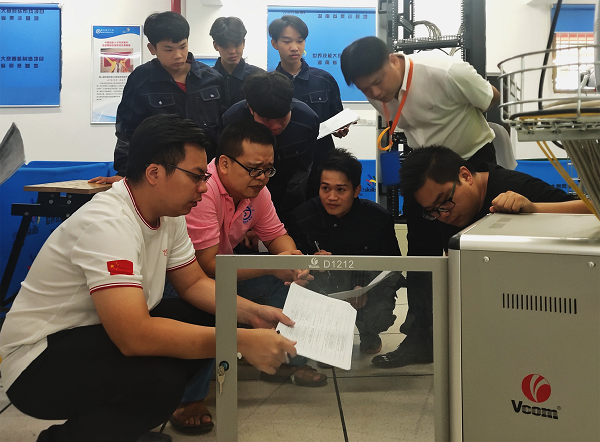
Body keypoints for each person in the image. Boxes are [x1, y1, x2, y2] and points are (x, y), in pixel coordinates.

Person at [0, 114, 297, 442]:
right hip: (36, 362)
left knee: (208, 315)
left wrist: (252, 315)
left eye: (204, 177)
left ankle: (116, 429)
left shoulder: (170, 214)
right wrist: (238, 340)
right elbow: (134, 336)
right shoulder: (108, 224)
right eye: (196, 176)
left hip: (91, 335)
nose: (204, 187)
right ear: (154, 173)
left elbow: (193, 284)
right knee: (162, 380)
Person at [340, 36, 501, 367]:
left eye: (377, 82)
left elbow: (491, 98)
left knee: (478, 254)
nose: (374, 92)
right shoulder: (376, 92)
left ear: (392, 60)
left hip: (469, 165)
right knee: (421, 258)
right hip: (423, 168)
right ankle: (420, 339)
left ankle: (486, 338)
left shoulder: (447, 72)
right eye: (365, 89)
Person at [369, 144, 590, 368]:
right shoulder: (447, 212)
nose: (444, 214)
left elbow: (590, 209)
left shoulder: (513, 186)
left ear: (465, 176)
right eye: (433, 210)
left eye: (444, 201)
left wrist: (534, 209)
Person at [185, 120, 326, 389]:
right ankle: (190, 395)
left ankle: (284, 360)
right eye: (253, 169)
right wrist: (273, 266)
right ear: (224, 164)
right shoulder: (203, 191)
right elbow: (207, 266)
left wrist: (293, 263)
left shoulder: (257, 192)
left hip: (224, 272)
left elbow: (276, 236)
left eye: (268, 169)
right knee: (208, 310)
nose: (261, 177)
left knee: (291, 286)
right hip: (189, 277)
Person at [288, 148, 403, 355]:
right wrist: (310, 263)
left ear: (357, 190)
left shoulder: (378, 219)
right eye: (325, 188)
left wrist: (366, 289)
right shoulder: (303, 217)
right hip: (323, 289)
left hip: (365, 289)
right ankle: (325, 336)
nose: (331, 197)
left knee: (378, 313)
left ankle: (369, 332)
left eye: (341, 190)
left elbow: (393, 266)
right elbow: (292, 266)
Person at [90, 11, 226, 185]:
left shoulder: (212, 79)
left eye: (183, 46)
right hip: (163, 176)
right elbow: (127, 133)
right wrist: (125, 173)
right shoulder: (140, 80)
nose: (178, 55)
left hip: (210, 175)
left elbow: (225, 129)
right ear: (152, 49)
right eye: (168, 49)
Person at [222, 71, 319, 226]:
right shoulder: (233, 120)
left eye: (282, 118)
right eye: (266, 119)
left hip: (290, 194)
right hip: (244, 197)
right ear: (251, 109)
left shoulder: (307, 119)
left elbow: (306, 165)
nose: (275, 126)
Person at [269, 15, 347, 198]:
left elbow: (338, 117)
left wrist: (341, 129)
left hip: (321, 162)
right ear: (274, 43)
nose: (294, 47)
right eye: (287, 41)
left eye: (300, 41)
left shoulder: (324, 80)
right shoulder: (269, 84)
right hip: (282, 166)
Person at [209, 16, 264, 107]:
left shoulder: (260, 77)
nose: (232, 51)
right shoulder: (206, 79)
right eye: (225, 46)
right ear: (215, 46)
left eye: (237, 45)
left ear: (243, 43)